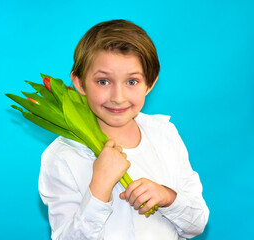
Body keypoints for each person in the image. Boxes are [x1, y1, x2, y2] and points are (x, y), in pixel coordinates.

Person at [38, 19, 209, 240]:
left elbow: (197, 224)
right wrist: (99, 186)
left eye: (132, 82)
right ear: (79, 83)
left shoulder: (164, 134)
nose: (118, 98)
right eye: (103, 82)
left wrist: (168, 197)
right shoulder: (62, 156)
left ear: (150, 83)